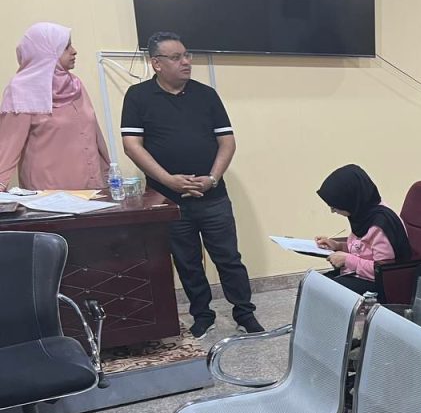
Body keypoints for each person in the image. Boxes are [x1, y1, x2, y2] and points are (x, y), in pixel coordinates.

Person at [121, 31, 261, 338]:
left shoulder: (206, 95)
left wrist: (212, 178)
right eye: (176, 57)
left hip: (212, 195)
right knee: (187, 261)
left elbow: (227, 142)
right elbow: (132, 145)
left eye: (187, 55)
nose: (185, 62)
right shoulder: (138, 96)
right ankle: (202, 315)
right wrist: (168, 180)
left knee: (229, 258)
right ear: (156, 63)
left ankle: (244, 313)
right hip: (168, 200)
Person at [0, 22, 110, 191]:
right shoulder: (22, 91)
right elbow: (8, 147)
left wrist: (109, 176)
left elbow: (94, 134)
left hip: (91, 192)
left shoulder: (75, 85)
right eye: (66, 47)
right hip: (46, 197)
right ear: (46, 51)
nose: (74, 51)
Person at [314, 164, 412, 294]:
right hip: (358, 274)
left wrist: (347, 260)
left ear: (350, 199)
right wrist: (338, 246)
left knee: (324, 291)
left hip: (377, 284)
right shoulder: (362, 214)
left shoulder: (381, 224)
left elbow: (384, 270)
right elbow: (363, 249)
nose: (333, 211)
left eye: (335, 206)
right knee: (314, 283)